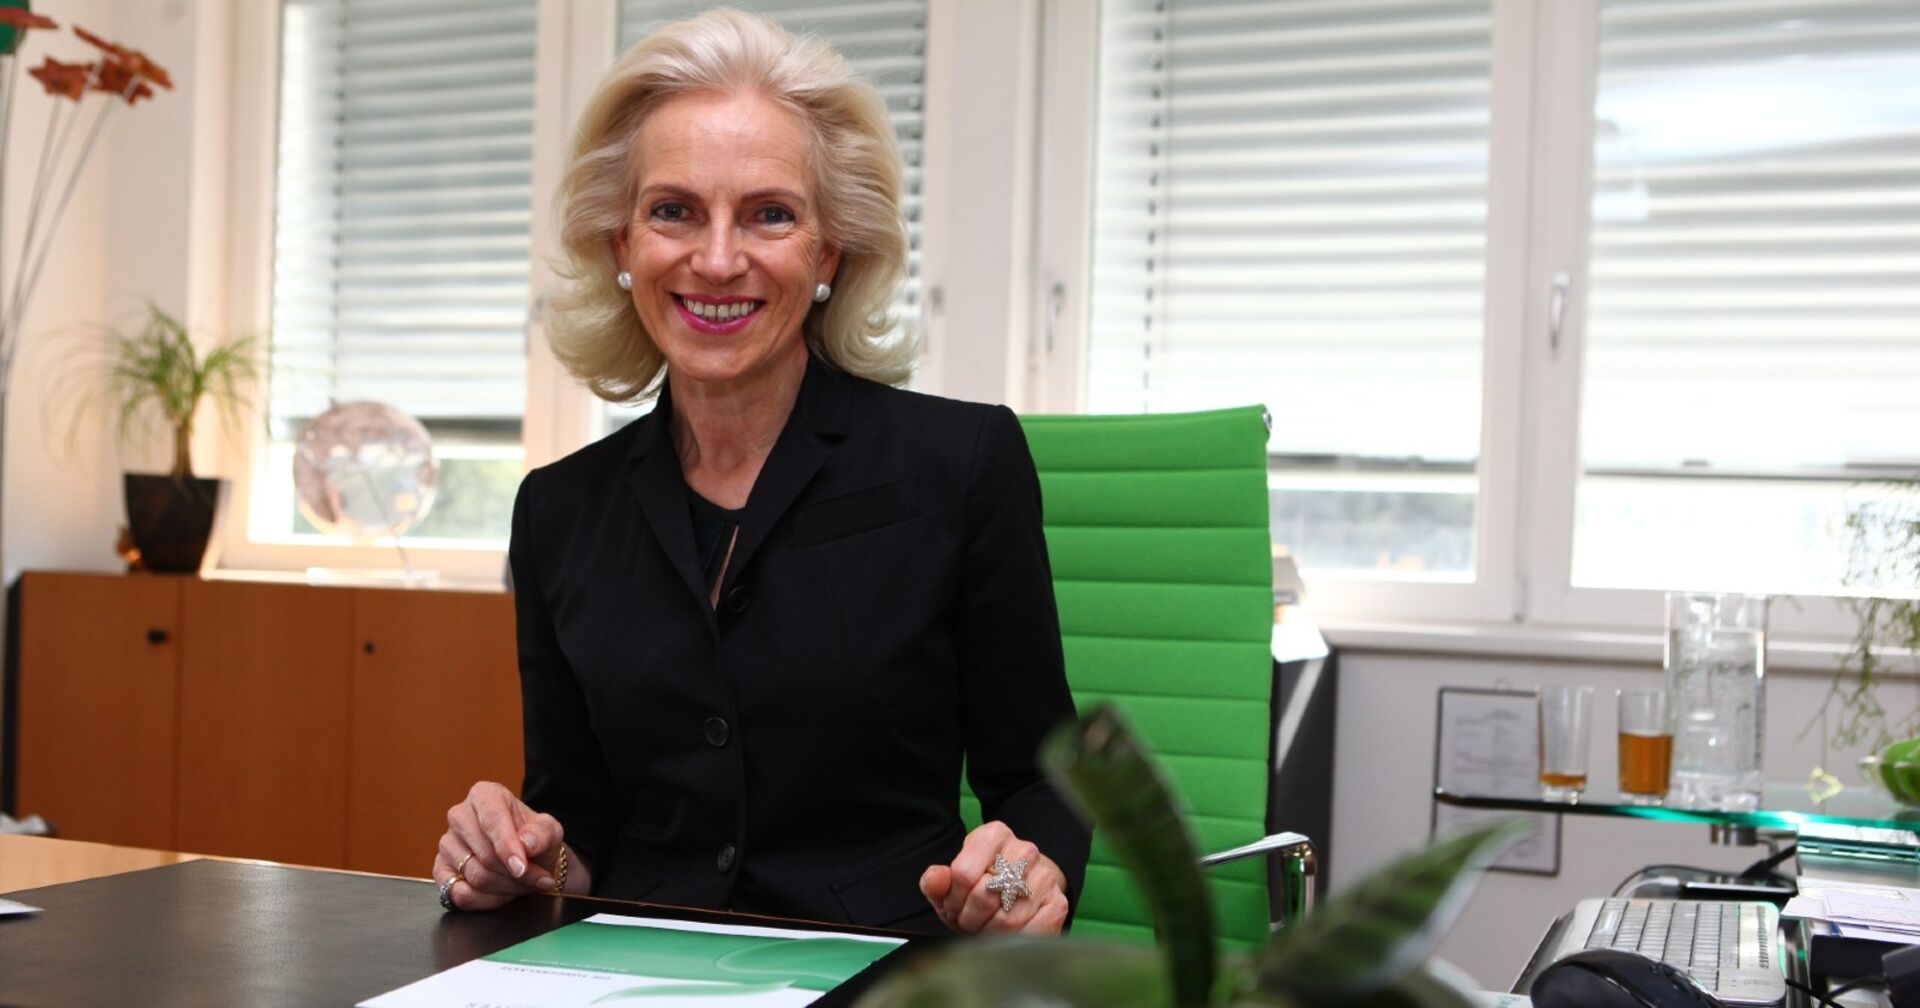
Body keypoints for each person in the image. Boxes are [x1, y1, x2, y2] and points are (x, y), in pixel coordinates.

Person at [432, 9, 1089, 937]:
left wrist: (1022, 878)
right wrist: (527, 857)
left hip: (880, 967)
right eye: (673, 211)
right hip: (641, 970)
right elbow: (582, 819)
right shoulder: (559, 510)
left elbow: (1039, 781)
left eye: (769, 214)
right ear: (621, 246)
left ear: (828, 253)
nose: (716, 259)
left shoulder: (960, 464)